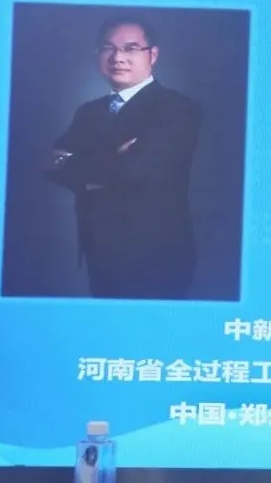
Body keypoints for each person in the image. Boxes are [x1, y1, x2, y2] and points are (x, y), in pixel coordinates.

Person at [45, 15, 202, 300]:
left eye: (131, 48)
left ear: (153, 54)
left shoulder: (176, 108)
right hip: (97, 251)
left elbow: (135, 171)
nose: (117, 57)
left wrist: (81, 166)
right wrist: (112, 158)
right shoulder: (89, 112)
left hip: (156, 255)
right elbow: (54, 165)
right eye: (108, 48)